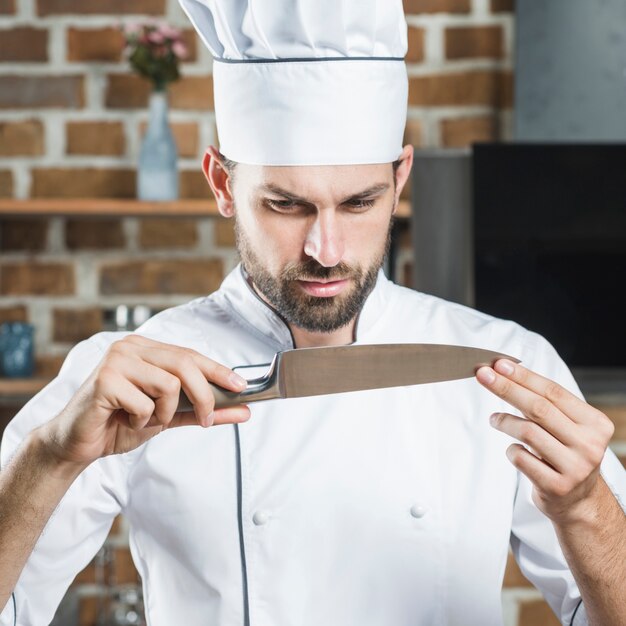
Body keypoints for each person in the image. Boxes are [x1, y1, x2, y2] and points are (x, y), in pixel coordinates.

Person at [1, 1, 625, 625]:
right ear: (222, 184)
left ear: (400, 178)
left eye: (359, 204)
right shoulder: (126, 379)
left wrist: (586, 507)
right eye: (285, 205)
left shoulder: (506, 367)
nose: (325, 252)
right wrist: (48, 458)